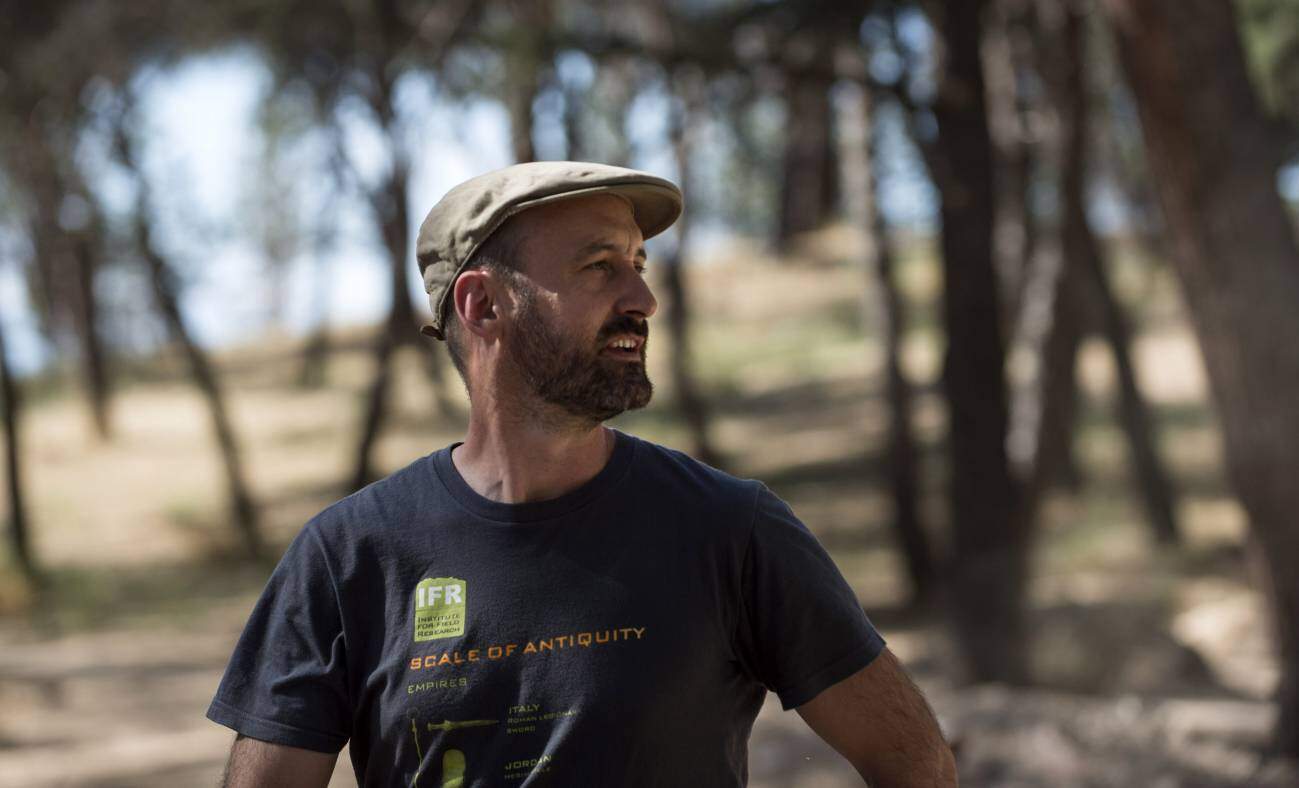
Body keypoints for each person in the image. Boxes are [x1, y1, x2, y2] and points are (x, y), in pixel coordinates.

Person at [208, 161, 957, 787]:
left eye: (636, 264)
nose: (643, 300)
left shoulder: (729, 530)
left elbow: (914, 763)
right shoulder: (346, 555)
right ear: (483, 305)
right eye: (599, 267)